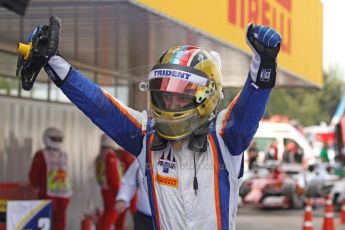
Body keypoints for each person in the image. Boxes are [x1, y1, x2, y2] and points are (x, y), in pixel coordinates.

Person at [25, 19, 281, 229]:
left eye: (182, 97)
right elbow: (99, 106)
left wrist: (264, 63)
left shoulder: (225, 136)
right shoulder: (145, 134)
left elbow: (248, 110)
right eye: (165, 95)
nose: (171, 104)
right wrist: (53, 62)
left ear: (206, 96)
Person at [29, 127, 72, 230]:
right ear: (47, 138)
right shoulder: (42, 154)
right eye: (55, 139)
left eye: (59, 139)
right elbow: (33, 176)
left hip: (62, 196)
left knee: (58, 224)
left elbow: (33, 177)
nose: (58, 141)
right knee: (47, 223)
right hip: (49, 195)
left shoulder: (64, 155)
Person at [95, 134, 135, 230]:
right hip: (113, 192)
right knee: (110, 217)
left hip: (106, 190)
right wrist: (120, 193)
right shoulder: (110, 155)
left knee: (110, 216)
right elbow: (113, 176)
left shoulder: (101, 155)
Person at [115, 160, 153, 230]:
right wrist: (123, 198)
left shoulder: (178, 160)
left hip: (169, 220)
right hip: (142, 217)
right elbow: (129, 182)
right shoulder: (142, 158)